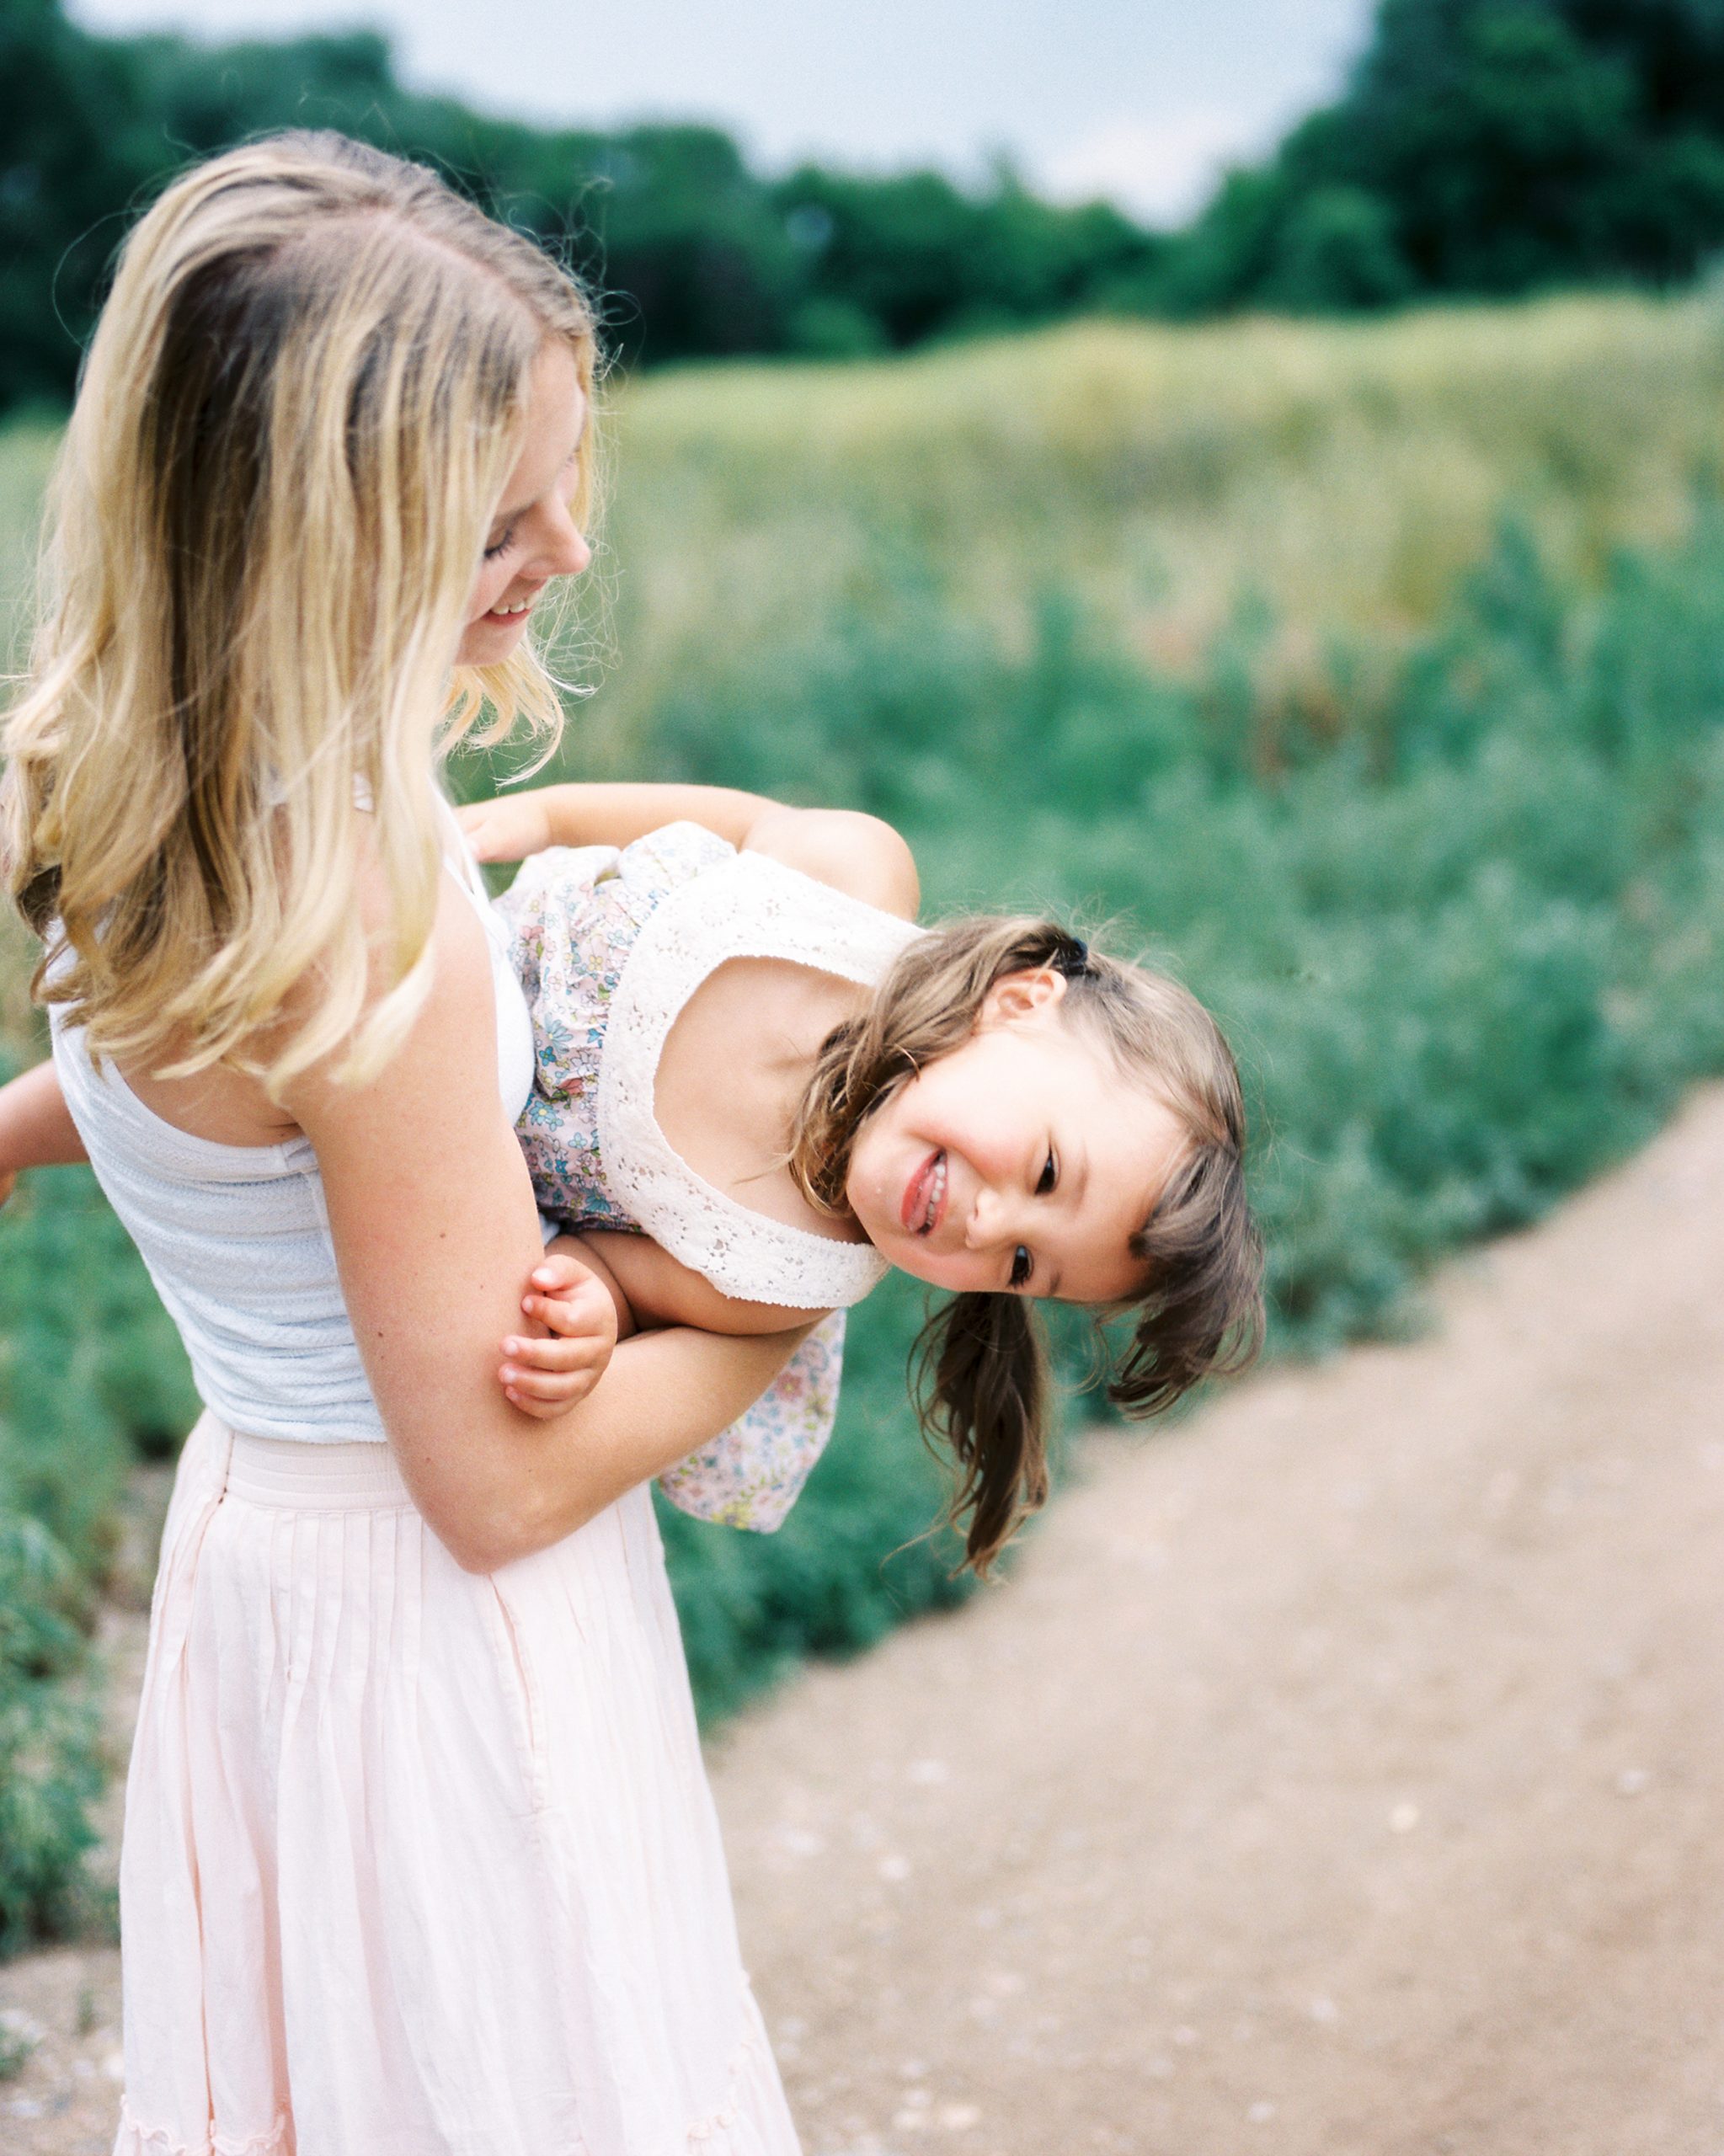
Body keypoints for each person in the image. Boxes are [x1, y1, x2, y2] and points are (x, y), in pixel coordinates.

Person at [0, 131, 811, 2153]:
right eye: (498, 522)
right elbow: (490, 1474)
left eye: (564, 489)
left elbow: (197, 1107)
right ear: (322, 536)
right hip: (432, 1632)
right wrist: (780, 1291)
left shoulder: (104, 791)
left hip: (262, 1570)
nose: (565, 550)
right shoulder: (366, 900)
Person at [451, 782, 1266, 1573]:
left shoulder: (771, 1274)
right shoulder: (849, 883)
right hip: (440, 928)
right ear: (1019, 1004)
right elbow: (740, 819)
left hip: (416, 1116)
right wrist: (550, 814)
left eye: (1020, 1267)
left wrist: (592, 1308)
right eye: (1047, 1173)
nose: (986, 1227)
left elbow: (614, 1270)